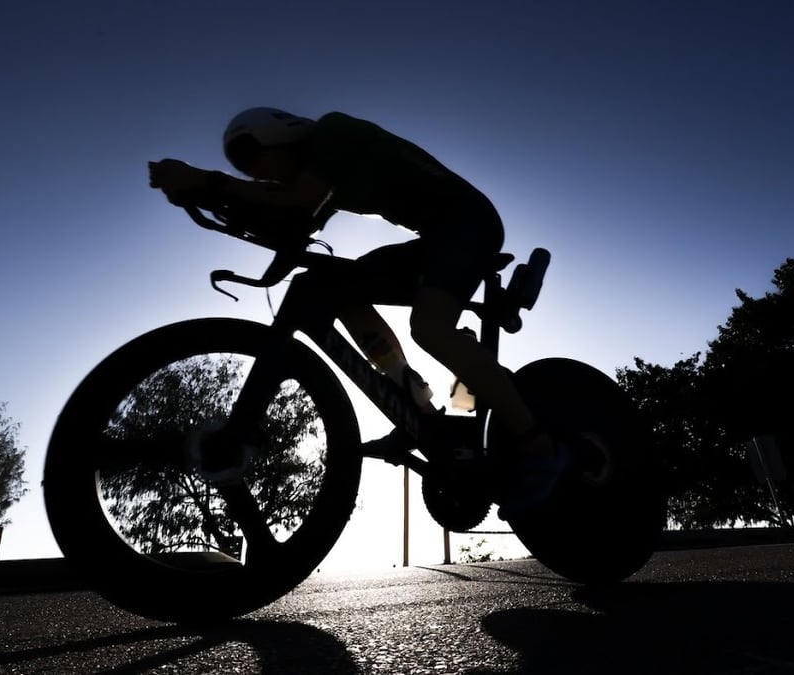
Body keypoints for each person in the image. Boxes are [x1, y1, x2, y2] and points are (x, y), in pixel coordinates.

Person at [148, 107, 569, 519]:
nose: (260, 176)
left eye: (255, 161)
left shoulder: (331, 134)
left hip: (468, 223)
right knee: (331, 285)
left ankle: (538, 446)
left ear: (274, 134)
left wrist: (210, 182)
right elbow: (295, 221)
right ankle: (414, 402)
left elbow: (298, 199)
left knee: (429, 328)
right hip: (436, 237)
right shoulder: (322, 175)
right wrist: (206, 196)